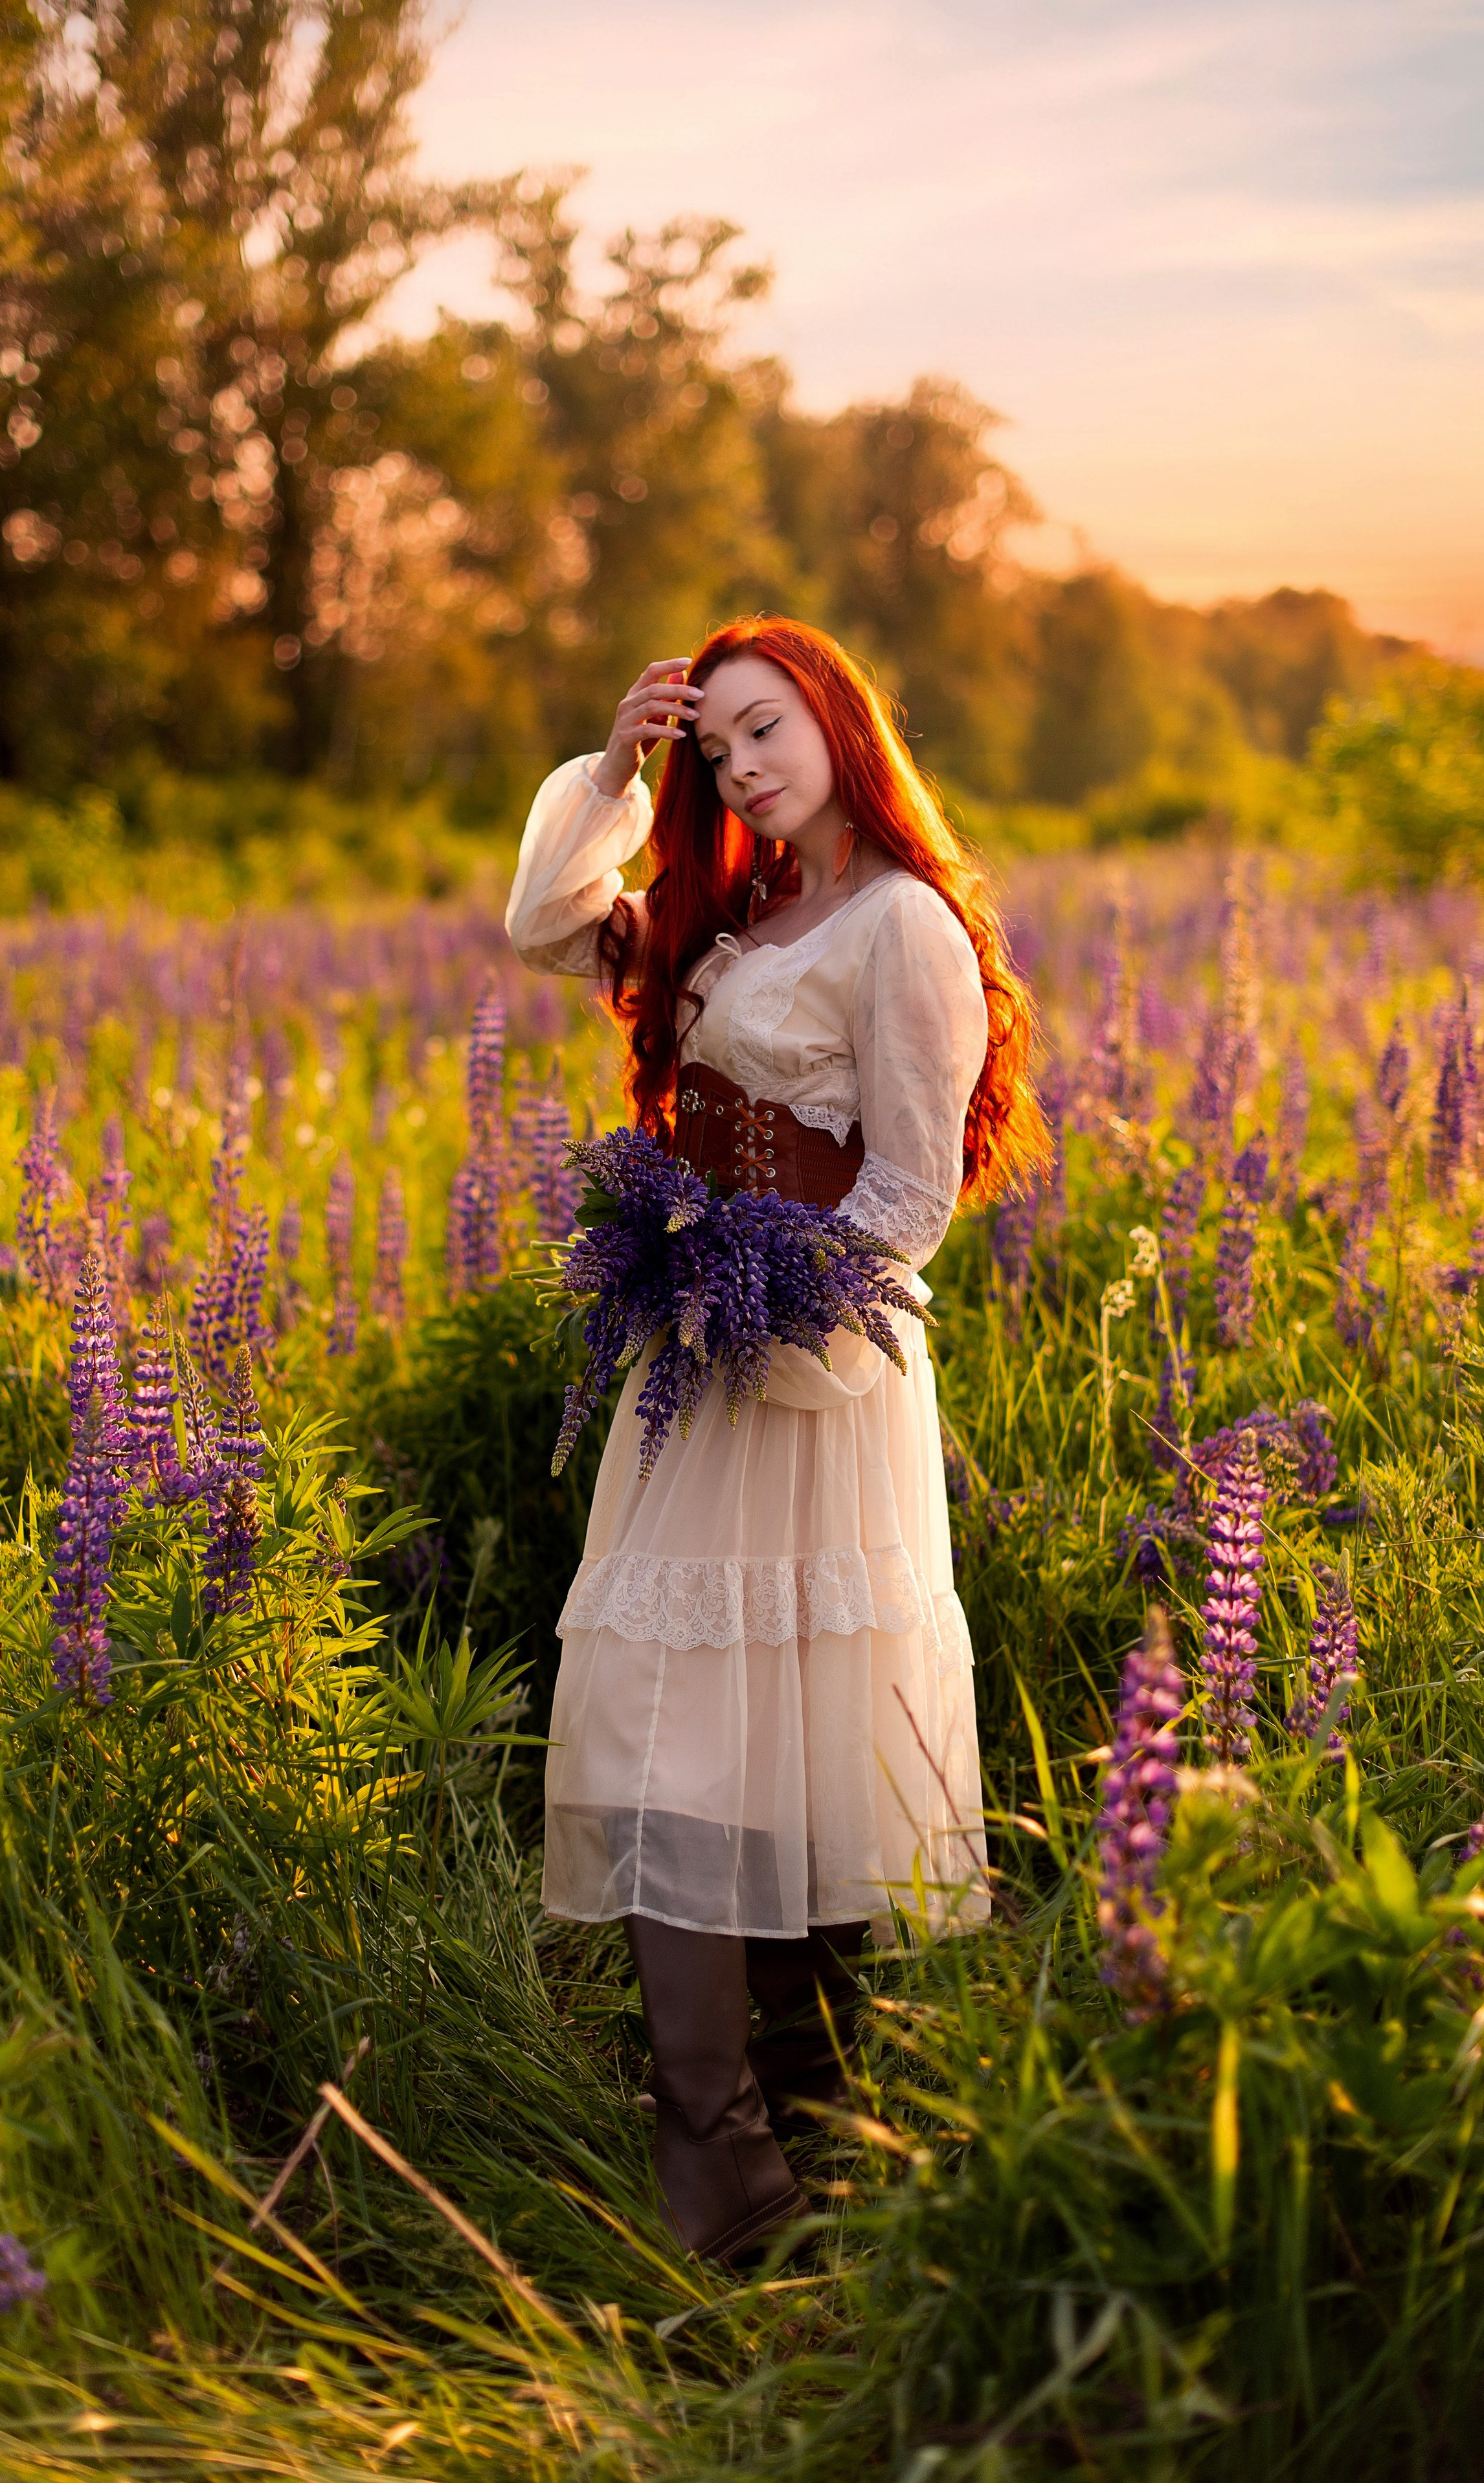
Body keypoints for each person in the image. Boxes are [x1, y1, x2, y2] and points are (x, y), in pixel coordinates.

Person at [506, 616, 1046, 2263]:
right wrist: (615, 768)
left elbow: (908, 1192)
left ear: (835, 720)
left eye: (763, 727)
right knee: (673, 1725)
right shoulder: (740, 916)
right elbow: (545, 923)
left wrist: (772, 1314)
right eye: (713, 746)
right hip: (700, 1360)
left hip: (814, 1368)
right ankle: (724, 2161)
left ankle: (801, 2150)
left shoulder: (904, 924)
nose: (738, 765)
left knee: (799, 1733)